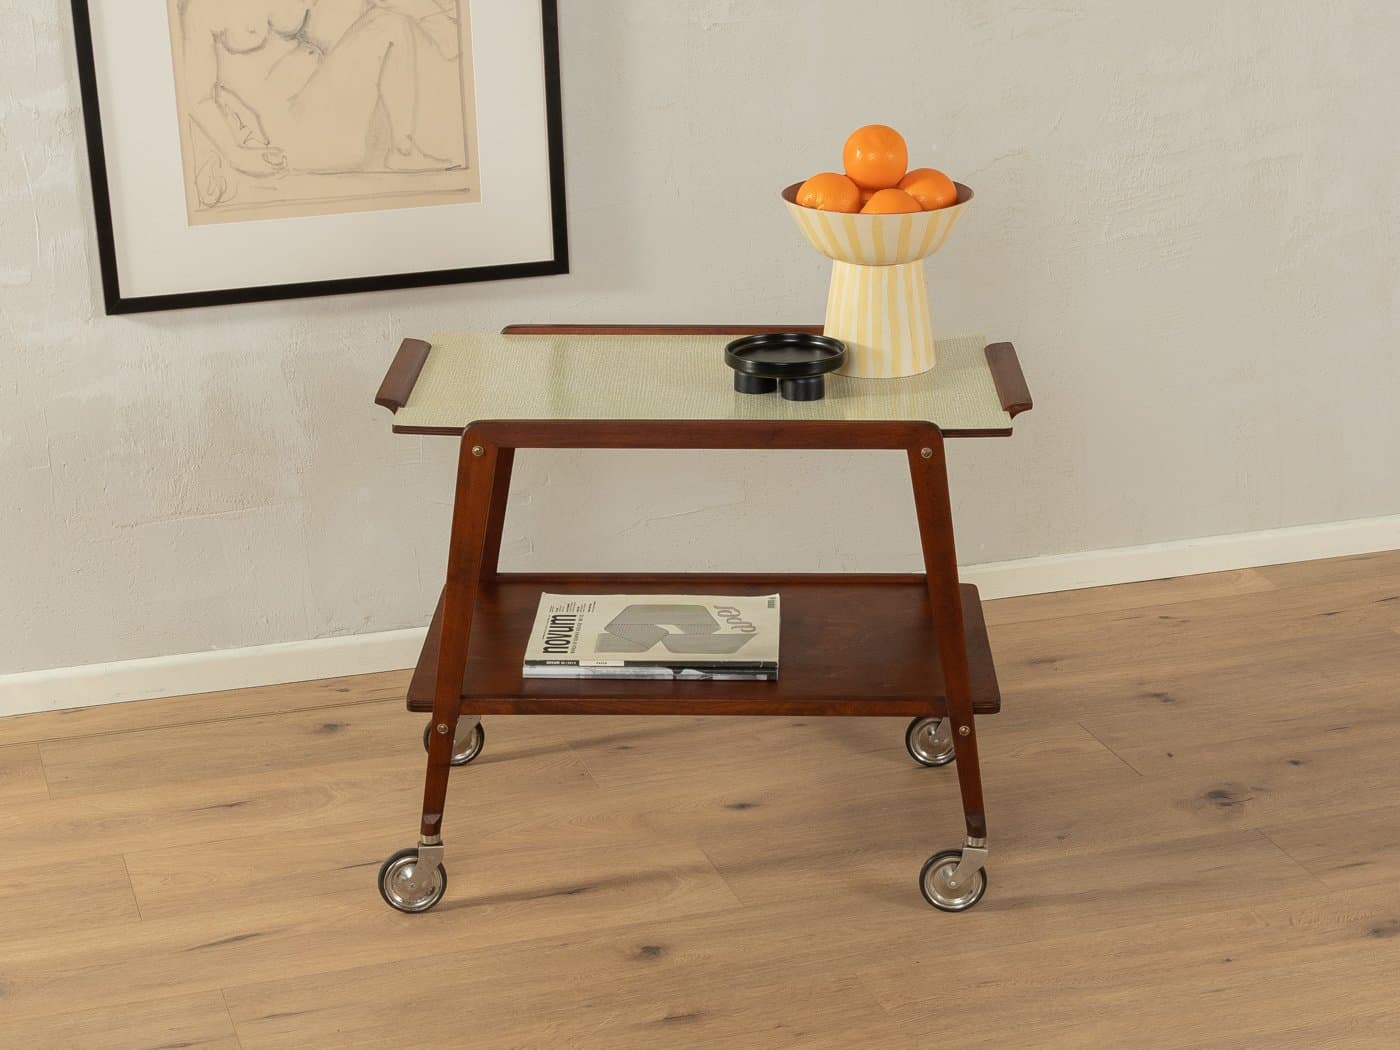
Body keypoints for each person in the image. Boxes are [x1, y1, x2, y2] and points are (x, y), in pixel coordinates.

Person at [176, 0, 462, 206]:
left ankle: (404, 148)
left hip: (333, 115)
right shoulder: (202, 9)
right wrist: (237, 154)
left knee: (387, 18)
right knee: (390, 23)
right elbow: (197, 97)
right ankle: (404, 150)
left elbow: (332, 31)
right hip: (297, 138)